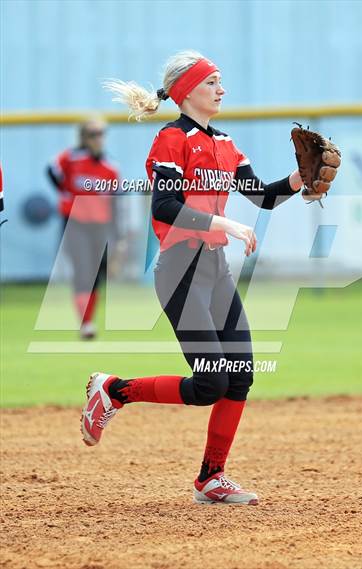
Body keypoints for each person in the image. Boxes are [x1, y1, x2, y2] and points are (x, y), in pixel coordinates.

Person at [81, 51, 304, 505]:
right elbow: (163, 206)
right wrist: (224, 225)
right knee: (210, 385)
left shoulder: (224, 143)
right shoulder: (170, 138)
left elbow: (261, 195)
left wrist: (302, 178)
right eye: (212, 83)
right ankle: (115, 390)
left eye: (221, 82)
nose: (221, 89)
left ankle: (211, 477)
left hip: (215, 270)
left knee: (239, 376)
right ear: (186, 91)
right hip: (180, 269)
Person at [46, 118, 120, 339]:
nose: (97, 138)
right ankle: (86, 323)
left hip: (99, 226)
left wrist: (117, 236)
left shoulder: (110, 167)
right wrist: (64, 191)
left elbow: (114, 203)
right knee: (83, 269)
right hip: (74, 222)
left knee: (97, 273)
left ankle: (87, 319)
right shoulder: (71, 158)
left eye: (100, 133)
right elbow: (51, 170)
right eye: (92, 134)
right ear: (83, 137)